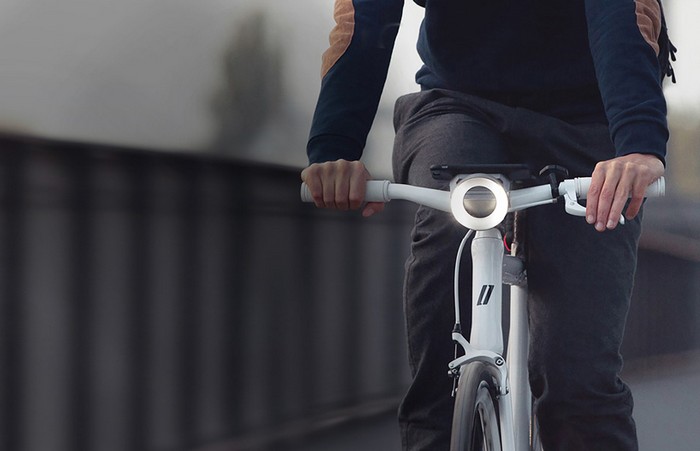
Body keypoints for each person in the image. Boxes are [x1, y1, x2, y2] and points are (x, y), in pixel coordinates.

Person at [301, 1, 675, 449]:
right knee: (447, 230)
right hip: (459, 105)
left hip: (587, 122)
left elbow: (619, 12)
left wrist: (638, 144)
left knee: (579, 384)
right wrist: (334, 149)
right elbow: (365, 19)